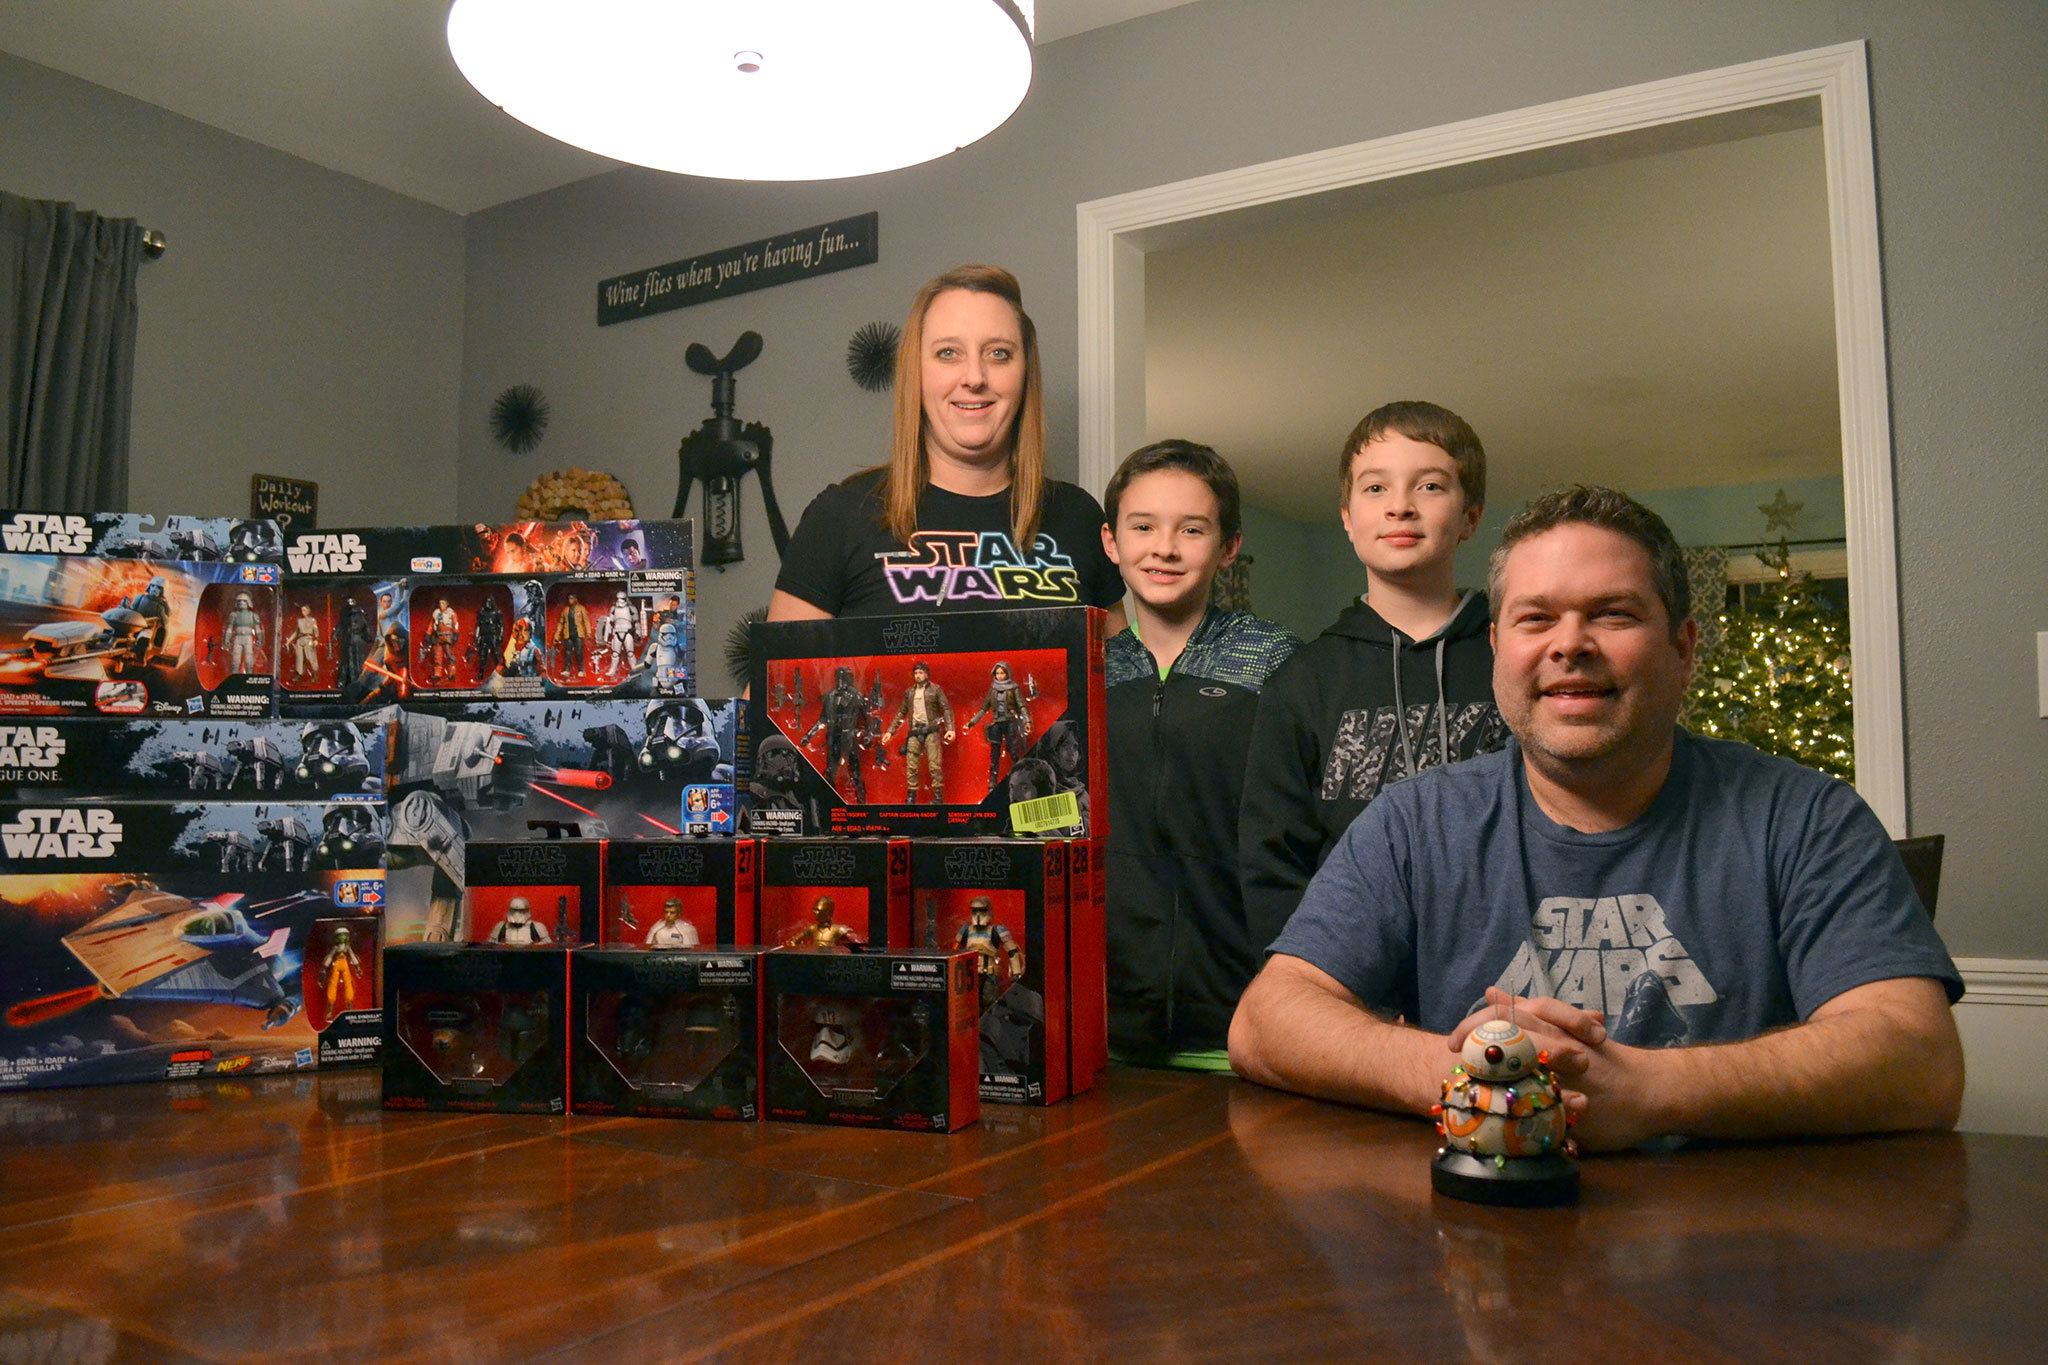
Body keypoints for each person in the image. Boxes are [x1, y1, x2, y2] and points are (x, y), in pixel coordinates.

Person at [1228, 485, 1964, 1150]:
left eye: (1612, 613)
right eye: (1536, 617)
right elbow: (1266, 1022)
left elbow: (1919, 1058)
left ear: (1684, 648)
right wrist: (1489, 1077)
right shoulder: (1416, 821)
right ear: (1498, 650)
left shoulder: (1806, 817)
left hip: (1740, 1260)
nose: (1569, 644)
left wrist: (1651, 1091)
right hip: (1472, 1257)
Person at [1238, 401, 1509, 953]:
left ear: (1471, 516)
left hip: (1509, 971)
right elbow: (1272, 866)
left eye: (1430, 487)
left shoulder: (1516, 661)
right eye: (1375, 489)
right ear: (1346, 517)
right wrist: (1327, 989)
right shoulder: (1302, 682)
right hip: (1353, 981)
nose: (1400, 508)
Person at [768, 264, 1126, 628]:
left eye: (999, 353)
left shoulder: (1079, 517)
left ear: (1025, 373)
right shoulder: (840, 516)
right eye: (948, 353)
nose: (974, 377)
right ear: (916, 372)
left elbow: (1125, 680)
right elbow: (775, 685)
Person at [1099, 439, 1300, 1068]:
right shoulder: (1083, 672)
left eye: (1191, 528)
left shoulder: (1279, 663)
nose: (1164, 548)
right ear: (1112, 543)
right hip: (1106, 1023)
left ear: (1228, 546)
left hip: (1245, 1017)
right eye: (1143, 527)